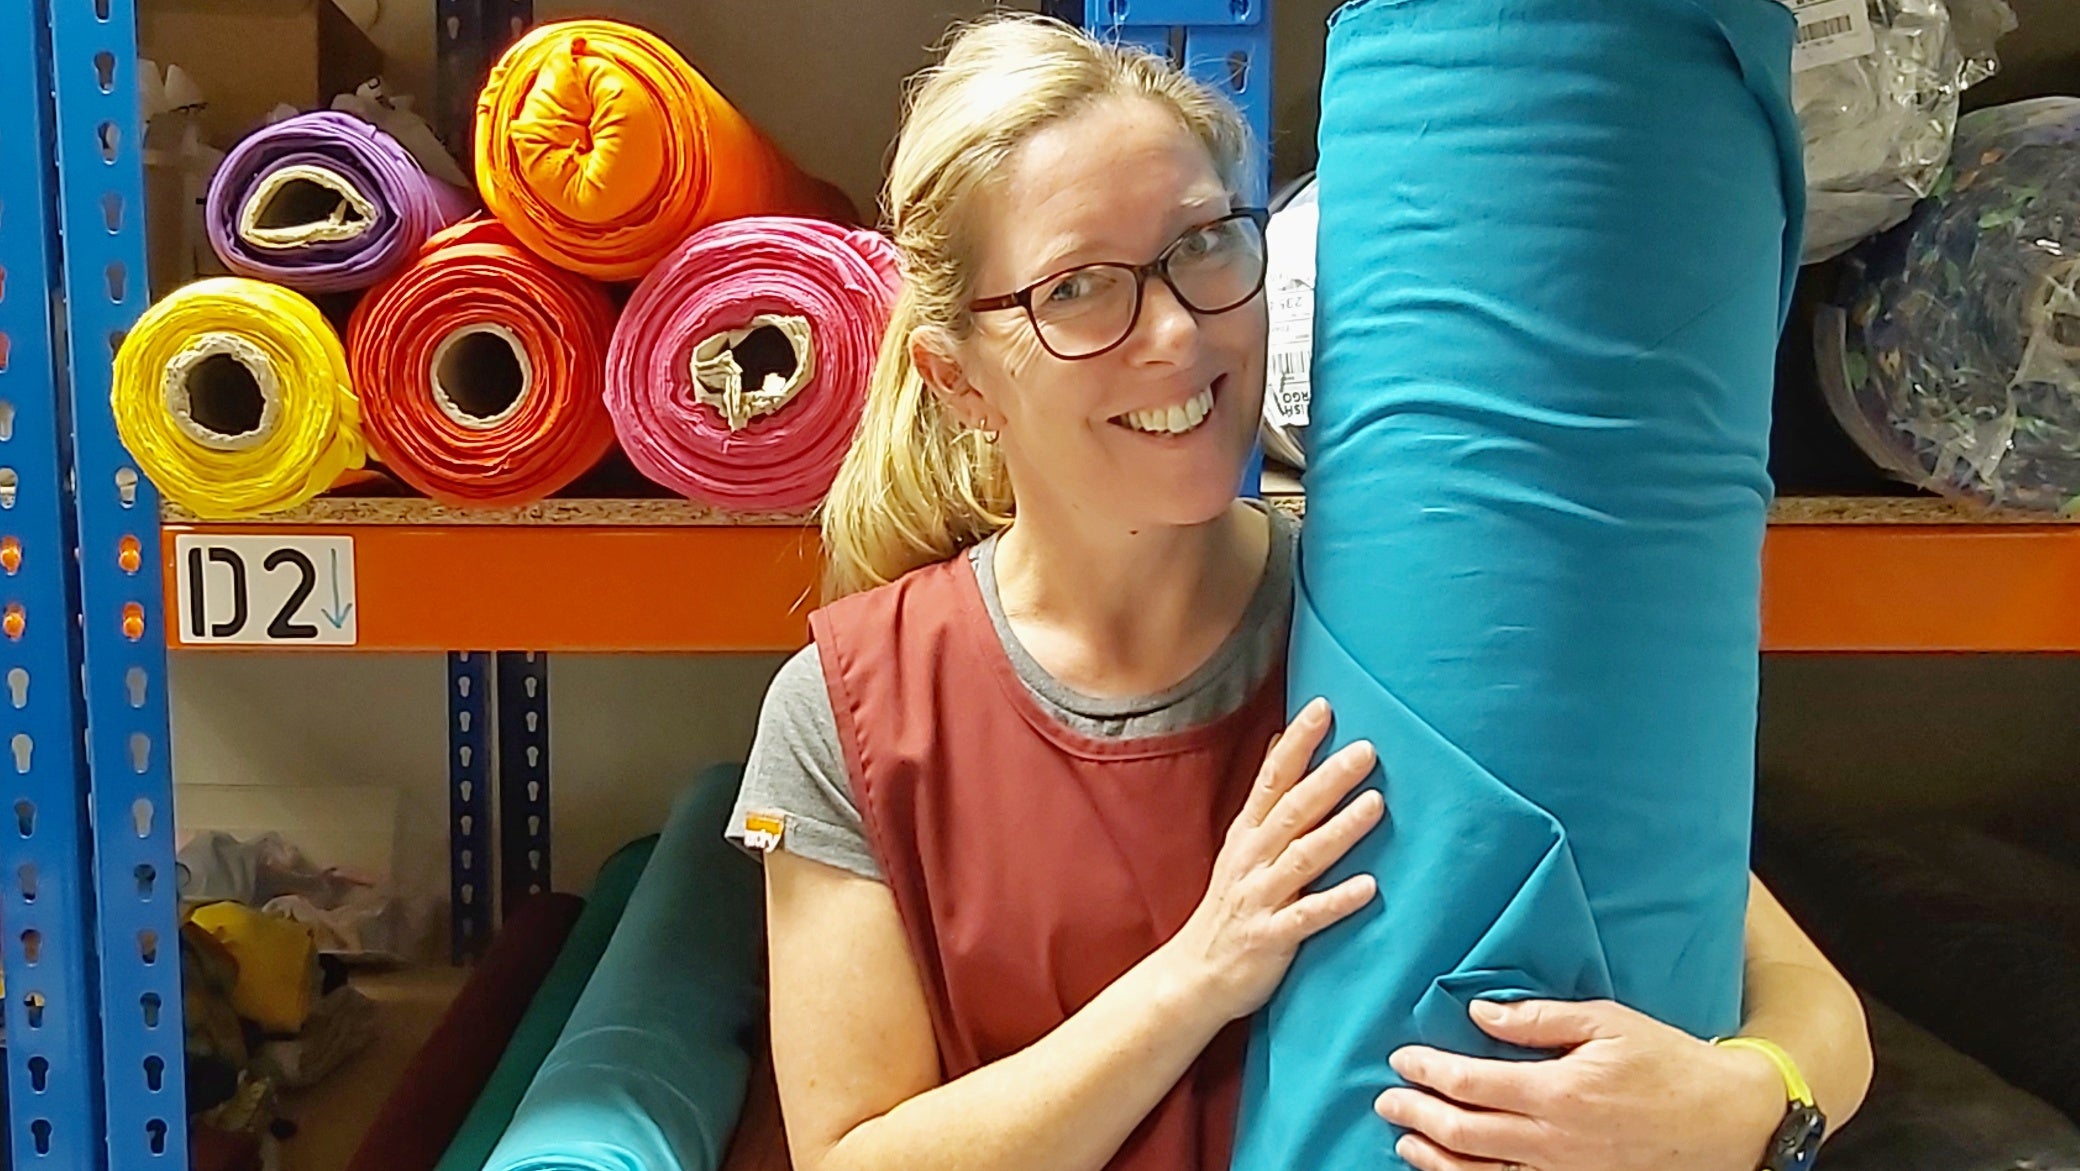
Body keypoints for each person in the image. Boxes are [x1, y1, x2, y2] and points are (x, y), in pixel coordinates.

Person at [726, 14, 1874, 1171]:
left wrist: (1749, 1103)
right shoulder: (855, 708)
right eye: (1078, 287)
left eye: (1206, 244)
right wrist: (1196, 974)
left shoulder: (1406, 622)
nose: (1176, 331)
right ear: (955, 376)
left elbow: (1811, 1005)